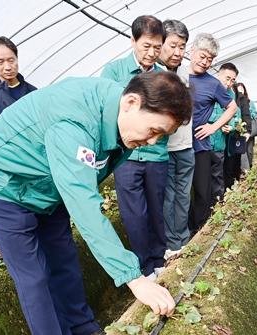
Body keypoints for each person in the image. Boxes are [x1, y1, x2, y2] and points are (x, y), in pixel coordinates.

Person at [0, 71, 190, 334]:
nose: (152, 141)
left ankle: (84, 328)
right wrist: (134, 278)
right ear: (131, 102)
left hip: (49, 182)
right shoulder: (75, 123)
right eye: (153, 131)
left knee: (65, 261)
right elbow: (84, 206)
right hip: (1, 183)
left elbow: (87, 176)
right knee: (34, 277)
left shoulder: (123, 117)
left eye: (161, 136)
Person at [101, 15, 168, 279]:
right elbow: (109, 109)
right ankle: (143, 266)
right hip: (125, 156)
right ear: (133, 41)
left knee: (155, 208)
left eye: (157, 47)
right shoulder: (114, 71)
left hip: (156, 154)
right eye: (146, 46)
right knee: (133, 213)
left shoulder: (164, 77)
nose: (152, 53)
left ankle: (158, 259)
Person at [188, 33, 238, 234]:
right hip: (175, 144)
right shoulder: (177, 75)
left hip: (200, 144)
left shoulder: (212, 83)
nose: (205, 62)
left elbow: (232, 107)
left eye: (210, 59)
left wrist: (212, 126)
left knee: (202, 191)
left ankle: (199, 230)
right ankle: (181, 233)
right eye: (202, 56)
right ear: (192, 51)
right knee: (179, 194)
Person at [158, 19, 193, 259]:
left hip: (185, 145)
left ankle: (183, 237)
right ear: (161, 43)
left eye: (182, 47)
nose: (177, 52)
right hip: (165, 148)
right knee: (168, 197)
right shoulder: (154, 74)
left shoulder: (183, 71)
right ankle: (172, 243)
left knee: (183, 195)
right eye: (173, 45)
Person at [210, 63, 239, 203]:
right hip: (204, 141)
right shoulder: (208, 87)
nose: (229, 83)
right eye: (227, 78)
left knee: (218, 176)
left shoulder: (231, 94)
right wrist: (220, 121)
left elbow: (234, 115)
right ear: (218, 75)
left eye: (232, 80)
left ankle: (218, 205)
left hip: (220, 142)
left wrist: (231, 126)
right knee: (203, 180)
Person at [238, 82, 257, 171]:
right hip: (240, 129)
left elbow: (255, 113)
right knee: (242, 150)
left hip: (249, 129)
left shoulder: (250, 102)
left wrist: (250, 114)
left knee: (249, 150)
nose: (240, 91)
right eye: (238, 89)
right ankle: (245, 169)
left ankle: (250, 165)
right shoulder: (235, 102)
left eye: (242, 89)